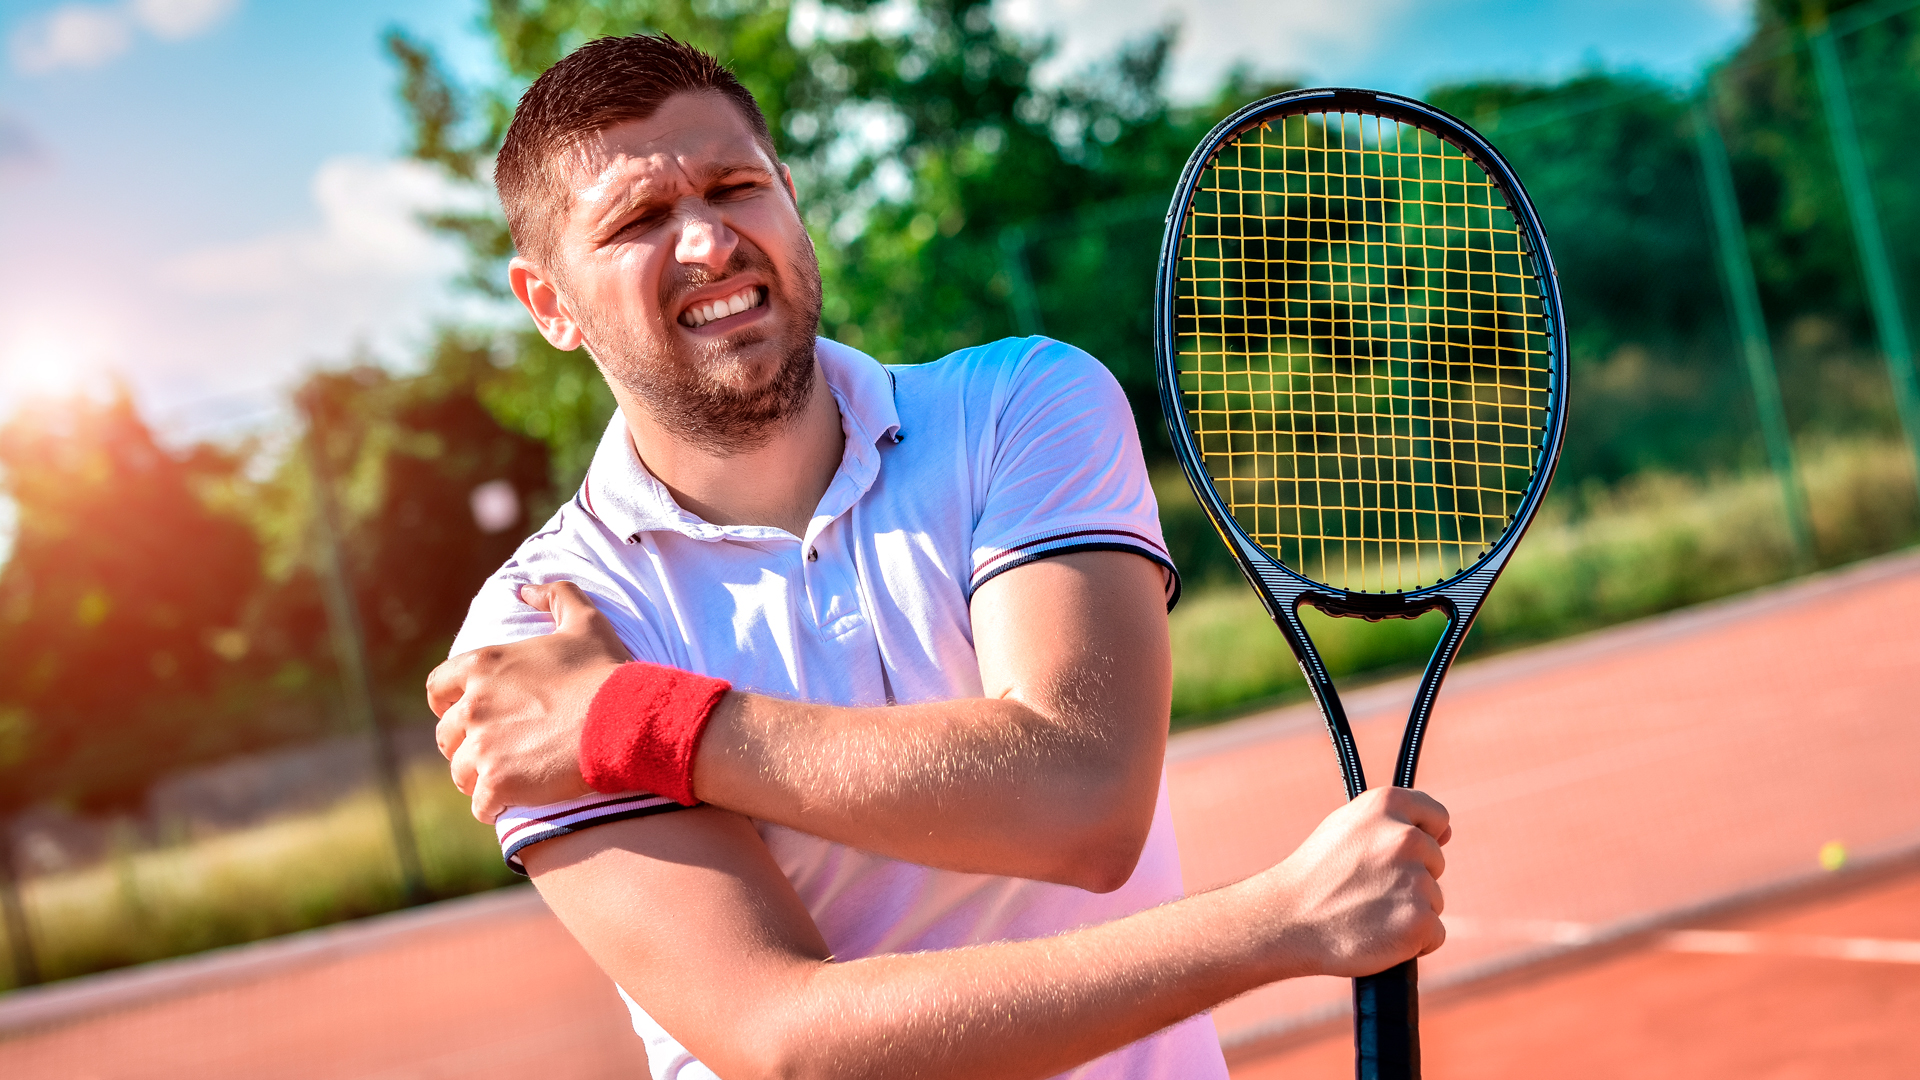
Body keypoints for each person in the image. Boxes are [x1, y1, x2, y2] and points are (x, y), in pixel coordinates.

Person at [426, 33, 1449, 1080]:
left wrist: (636, 725)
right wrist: (1277, 923)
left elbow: (1084, 802)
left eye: (735, 187)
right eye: (639, 219)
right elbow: (787, 1041)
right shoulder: (538, 635)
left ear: (790, 197)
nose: (708, 240)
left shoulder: (1021, 405)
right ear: (549, 303)